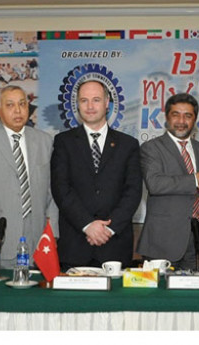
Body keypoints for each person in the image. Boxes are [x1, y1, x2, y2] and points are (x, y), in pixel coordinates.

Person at [51, 80, 142, 268]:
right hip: (75, 246)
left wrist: (108, 229)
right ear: (77, 104)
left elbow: (133, 192)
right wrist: (87, 225)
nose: (90, 106)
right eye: (84, 100)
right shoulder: (63, 142)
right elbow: (61, 189)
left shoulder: (128, 145)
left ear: (107, 103)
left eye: (96, 100)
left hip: (114, 245)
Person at [0, 85, 59, 269]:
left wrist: (52, 234)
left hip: (39, 240)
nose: (18, 110)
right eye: (10, 105)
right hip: (0, 239)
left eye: (22, 104)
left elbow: (53, 191)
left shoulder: (44, 141)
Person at [137, 93, 199, 270]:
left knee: (195, 288)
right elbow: (155, 184)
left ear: (195, 119)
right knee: (159, 289)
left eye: (188, 116)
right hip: (162, 241)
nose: (181, 121)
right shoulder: (151, 148)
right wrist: (195, 179)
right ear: (166, 117)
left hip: (197, 242)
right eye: (176, 114)